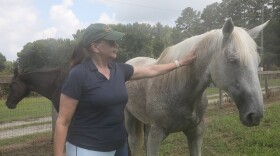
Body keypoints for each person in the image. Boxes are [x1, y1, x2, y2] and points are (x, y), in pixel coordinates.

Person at [54, 23, 196, 156]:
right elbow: (63, 121)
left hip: (119, 146)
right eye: (110, 42)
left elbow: (152, 69)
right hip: (88, 149)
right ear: (95, 46)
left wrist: (180, 63)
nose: (116, 44)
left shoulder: (119, 70)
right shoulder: (78, 75)